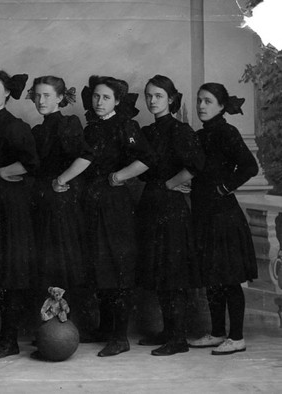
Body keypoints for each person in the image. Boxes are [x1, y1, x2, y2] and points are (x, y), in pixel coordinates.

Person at [81, 76, 154, 357]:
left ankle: (120, 336)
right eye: (96, 97)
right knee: (98, 265)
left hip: (115, 206)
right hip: (92, 203)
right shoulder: (91, 128)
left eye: (106, 98)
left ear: (117, 101)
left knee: (117, 265)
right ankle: (104, 328)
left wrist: (119, 176)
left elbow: (147, 158)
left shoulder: (127, 126)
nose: (99, 102)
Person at [136, 75, 205, 356]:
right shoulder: (148, 132)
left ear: (171, 99)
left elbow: (195, 166)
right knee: (159, 269)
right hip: (151, 205)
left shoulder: (180, 130)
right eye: (149, 96)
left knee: (172, 271)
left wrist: (168, 184)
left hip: (171, 208)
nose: (153, 101)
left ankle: (178, 338)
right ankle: (168, 330)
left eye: (159, 96)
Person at [0, 69, 39, 359]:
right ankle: (4, 333)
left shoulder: (15, 126)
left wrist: (2, 171)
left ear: (7, 93)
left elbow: (33, 164)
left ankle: (10, 340)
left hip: (11, 209)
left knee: (10, 272)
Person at [188, 83, 258, 355]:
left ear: (220, 105)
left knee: (228, 277)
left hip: (224, 217)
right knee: (212, 276)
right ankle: (217, 333)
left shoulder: (227, 132)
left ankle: (237, 337)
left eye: (207, 101)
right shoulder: (200, 135)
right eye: (199, 101)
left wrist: (224, 187)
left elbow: (251, 166)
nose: (201, 106)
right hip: (204, 214)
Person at [26, 75, 92, 293]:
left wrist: (60, 179)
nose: (41, 101)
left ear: (60, 97)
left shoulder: (68, 123)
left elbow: (86, 156)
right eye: (37, 96)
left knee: (64, 259)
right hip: (43, 200)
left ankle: (67, 320)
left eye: (46, 95)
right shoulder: (37, 131)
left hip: (64, 202)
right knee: (45, 258)